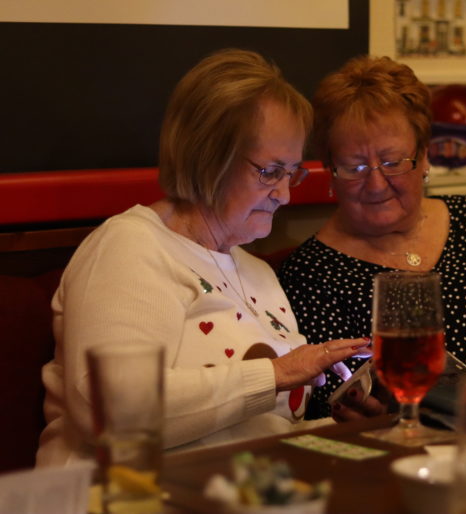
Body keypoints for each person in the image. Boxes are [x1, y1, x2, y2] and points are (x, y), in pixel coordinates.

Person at [36, 49, 370, 466]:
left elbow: (262, 431)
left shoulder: (259, 273)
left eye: (293, 173)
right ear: (208, 156)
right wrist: (279, 373)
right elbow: (113, 413)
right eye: (270, 172)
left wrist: (350, 429)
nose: (285, 194)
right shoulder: (131, 247)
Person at [278, 55, 466, 420]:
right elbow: (322, 407)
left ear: (424, 156)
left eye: (393, 162)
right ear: (331, 172)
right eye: (355, 167)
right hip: (409, 447)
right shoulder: (310, 276)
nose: (376, 184)